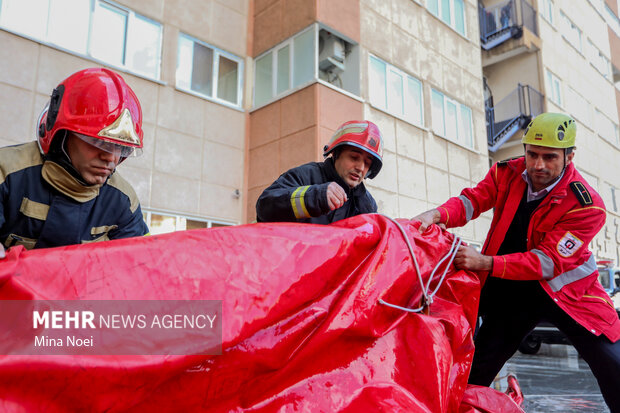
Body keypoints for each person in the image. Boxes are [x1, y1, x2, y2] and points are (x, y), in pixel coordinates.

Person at [413, 112, 620, 411]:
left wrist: (484, 263)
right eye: (532, 154)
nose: (537, 165)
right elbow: (473, 200)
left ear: (569, 156)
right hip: (511, 294)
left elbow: (546, 262)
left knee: (613, 364)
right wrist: (437, 215)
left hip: (569, 297)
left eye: (549, 157)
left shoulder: (588, 205)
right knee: (475, 370)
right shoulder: (506, 172)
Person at [0, 67, 149, 258]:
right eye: (99, 142)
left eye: (122, 148)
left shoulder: (123, 201)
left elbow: (140, 267)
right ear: (62, 135)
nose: (111, 158)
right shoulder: (6, 172)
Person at [256, 120, 382, 224]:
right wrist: (315, 197)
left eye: (367, 163)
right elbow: (264, 208)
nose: (360, 167)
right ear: (335, 153)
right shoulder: (305, 176)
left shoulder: (367, 204)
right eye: (354, 157)